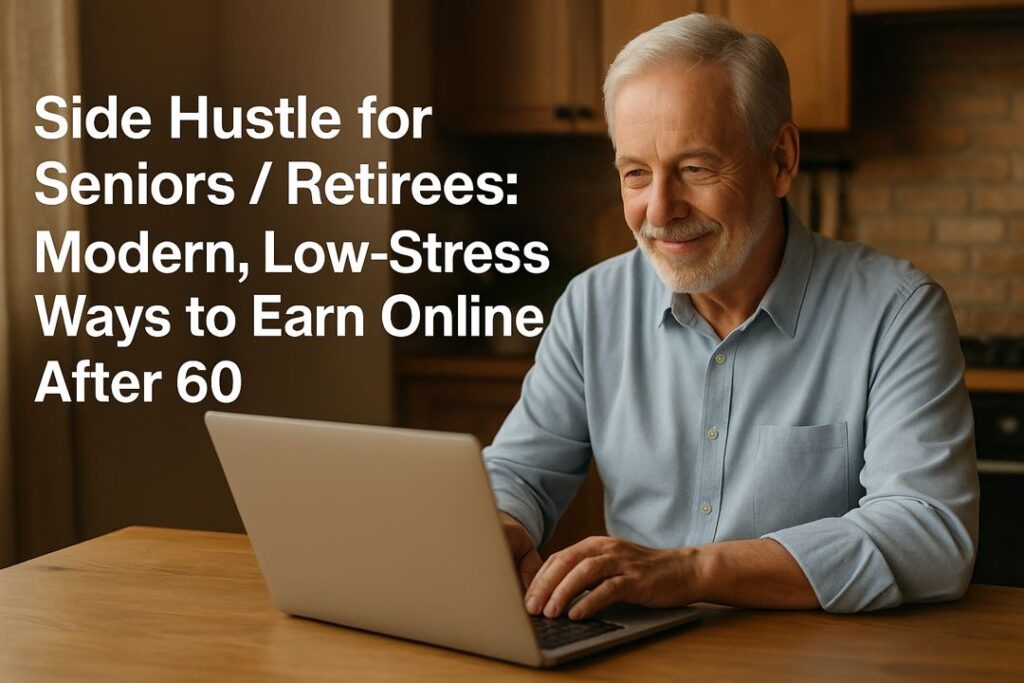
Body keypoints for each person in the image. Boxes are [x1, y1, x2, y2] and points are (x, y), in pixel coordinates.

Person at [483, 13, 978, 620]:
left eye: (694, 169)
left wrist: (690, 572)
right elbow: (518, 470)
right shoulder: (592, 305)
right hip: (636, 657)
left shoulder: (897, 312)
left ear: (780, 160)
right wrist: (499, 520)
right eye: (636, 173)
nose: (659, 210)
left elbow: (929, 535)